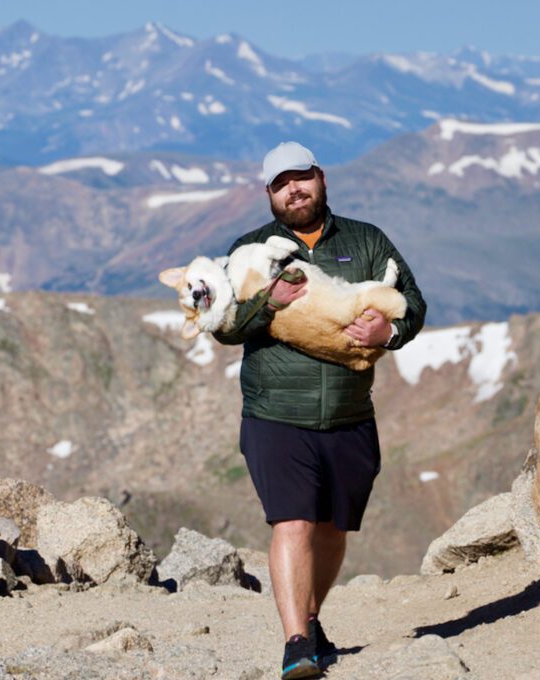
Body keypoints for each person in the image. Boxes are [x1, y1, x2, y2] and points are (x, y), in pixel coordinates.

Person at [214, 141, 426, 679]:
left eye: (301, 178)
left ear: (321, 178)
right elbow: (225, 324)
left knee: (333, 529)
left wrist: (391, 329)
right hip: (275, 414)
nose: (294, 190)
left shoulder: (366, 240)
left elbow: (415, 304)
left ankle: (310, 618)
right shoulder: (250, 249)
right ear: (268, 194)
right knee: (293, 523)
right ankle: (294, 644)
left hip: (350, 414)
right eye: (281, 183)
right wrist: (268, 306)